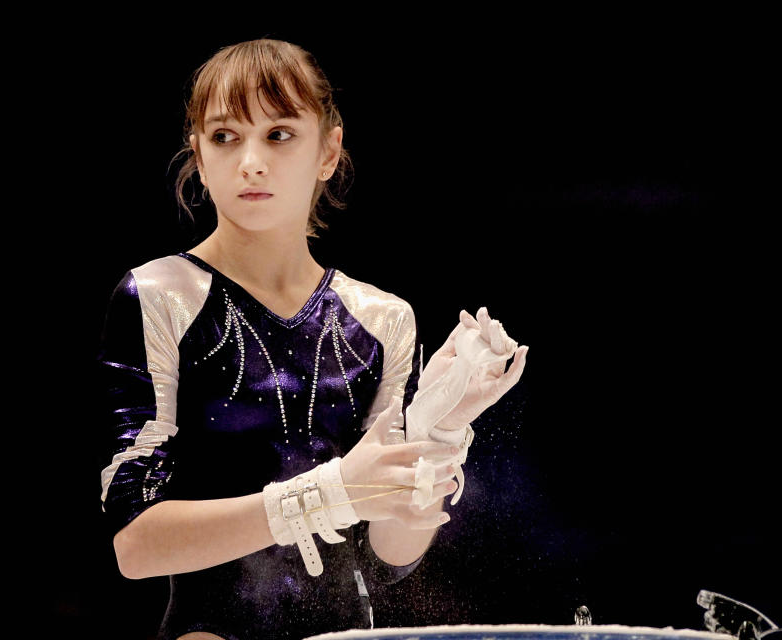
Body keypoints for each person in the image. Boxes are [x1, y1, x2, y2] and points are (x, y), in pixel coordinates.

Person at [96, 38, 528, 640]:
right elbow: (136, 546)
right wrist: (330, 493)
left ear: (329, 150)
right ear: (197, 152)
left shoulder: (383, 319)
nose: (251, 160)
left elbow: (389, 558)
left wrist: (436, 434)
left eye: (278, 134)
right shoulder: (161, 295)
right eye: (225, 136)